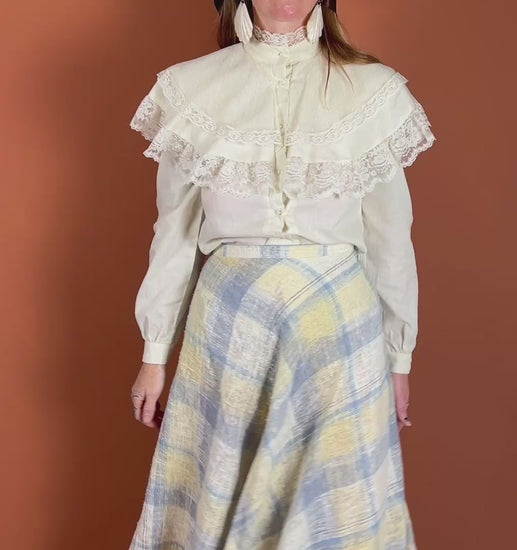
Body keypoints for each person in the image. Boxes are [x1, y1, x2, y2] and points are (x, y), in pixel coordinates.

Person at [128, 0, 435, 548]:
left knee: (334, 514)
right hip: (231, 330)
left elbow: (392, 240)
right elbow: (173, 233)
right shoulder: (189, 89)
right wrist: (154, 355)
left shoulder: (374, 91)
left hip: (338, 332)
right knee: (225, 504)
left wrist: (398, 358)